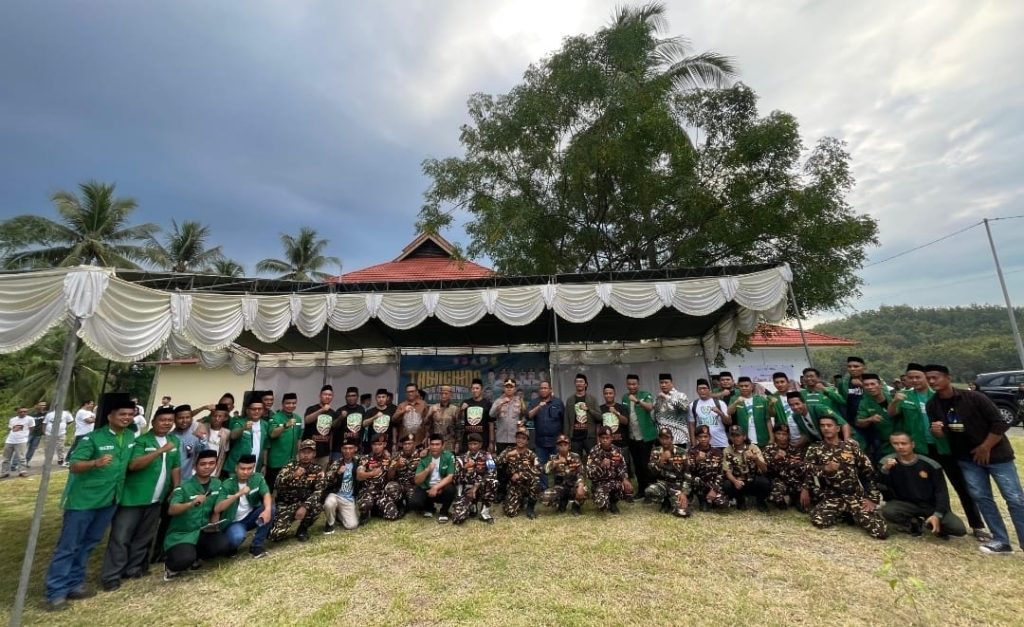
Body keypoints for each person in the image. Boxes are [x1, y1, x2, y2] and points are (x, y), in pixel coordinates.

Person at [43, 393, 136, 611]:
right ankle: (56, 591)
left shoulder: (131, 437)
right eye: (122, 414)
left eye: (130, 414)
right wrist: (95, 463)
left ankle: (75, 583)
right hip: (84, 501)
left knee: (89, 544)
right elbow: (74, 465)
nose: (126, 418)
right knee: (68, 546)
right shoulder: (93, 438)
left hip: (110, 499)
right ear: (110, 416)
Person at [924, 364, 1024, 555]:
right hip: (967, 459)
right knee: (982, 497)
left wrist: (985, 447)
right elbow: (946, 433)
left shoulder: (974, 397)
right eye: (928, 378)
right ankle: (1000, 540)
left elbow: (999, 423)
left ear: (948, 377)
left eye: (935, 377)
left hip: (997, 455)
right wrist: (937, 432)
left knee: (1014, 498)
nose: (931, 381)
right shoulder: (933, 404)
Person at [888, 363, 988, 541]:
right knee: (927, 486)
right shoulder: (905, 396)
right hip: (921, 448)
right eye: (911, 377)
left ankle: (977, 525)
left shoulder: (938, 395)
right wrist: (895, 400)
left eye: (918, 377)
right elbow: (892, 414)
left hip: (945, 447)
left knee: (962, 486)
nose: (915, 380)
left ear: (926, 378)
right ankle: (936, 522)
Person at [100, 406, 180, 591]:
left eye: (170, 420)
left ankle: (134, 568)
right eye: (162, 420)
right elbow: (134, 465)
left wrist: (176, 487)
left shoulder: (174, 441)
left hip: (156, 499)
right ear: (153, 422)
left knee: (144, 537)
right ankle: (112, 575)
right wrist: (160, 451)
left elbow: (176, 466)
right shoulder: (141, 441)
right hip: (133, 498)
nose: (166, 423)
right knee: (121, 537)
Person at [800, 414, 887, 539]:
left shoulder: (851, 447)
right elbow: (806, 468)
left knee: (880, 532)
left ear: (837, 429)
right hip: (832, 496)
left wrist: (872, 498)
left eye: (829, 425)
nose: (826, 428)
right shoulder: (815, 448)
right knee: (818, 521)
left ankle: (852, 513)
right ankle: (844, 513)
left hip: (855, 496)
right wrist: (824, 469)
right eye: (822, 426)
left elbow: (869, 472)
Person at [878, 432, 966, 539]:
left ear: (912, 444)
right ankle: (913, 523)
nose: (900, 447)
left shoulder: (930, 464)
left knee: (958, 529)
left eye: (904, 443)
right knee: (888, 511)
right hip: (906, 504)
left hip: (931, 505)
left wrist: (937, 514)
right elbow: (882, 486)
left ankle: (932, 524)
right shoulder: (887, 462)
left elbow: (941, 492)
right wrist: (885, 470)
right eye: (895, 444)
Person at [162, 449, 230, 581]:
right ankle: (170, 566)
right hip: (182, 535)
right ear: (195, 466)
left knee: (223, 545)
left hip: (203, 531)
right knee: (184, 558)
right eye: (203, 464)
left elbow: (217, 507)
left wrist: (215, 521)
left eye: (211, 463)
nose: (207, 467)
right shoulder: (184, 486)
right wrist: (190, 504)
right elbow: (172, 509)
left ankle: (196, 557)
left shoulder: (217, 484)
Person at [214, 453, 274, 558]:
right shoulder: (227, 484)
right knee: (237, 537)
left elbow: (266, 494)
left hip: (250, 518)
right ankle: (231, 547)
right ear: (236, 468)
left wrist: (267, 510)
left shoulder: (257, 478)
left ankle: (256, 547)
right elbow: (217, 508)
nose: (246, 472)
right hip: (233, 522)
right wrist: (237, 494)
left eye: (249, 468)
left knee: (270, 509)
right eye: (242, 468)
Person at [270, 439, 326, 542]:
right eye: (303, 452)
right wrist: (293, 475)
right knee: (276, 536)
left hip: (303, 503)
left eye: (309, 452)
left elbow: (319, 491)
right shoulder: (289, 466)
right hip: (286, 504)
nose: (306, 455)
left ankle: (302, 530)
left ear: (314, 454)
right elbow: (276, 485)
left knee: (317, 506)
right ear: (299, 453)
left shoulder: (317, 469)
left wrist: (305, 506)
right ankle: (275, 525)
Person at [451, 433, 499, 524]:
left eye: (475, 444)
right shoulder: (461, 458)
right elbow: (455, 478)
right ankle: (472, 506)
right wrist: (465, 467)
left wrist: (476, 486)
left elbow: (493, 473)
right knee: (457, 519)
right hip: (467, 490)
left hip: (481, 487)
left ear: (480, 445)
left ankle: (484, 513)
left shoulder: (487, 456)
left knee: (493, 482)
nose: (472, 446)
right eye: (470, 444)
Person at [721, 425, 771, 512]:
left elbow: (764, 469)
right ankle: (740, 500)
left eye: (738, 435)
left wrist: (755, 458)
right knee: (726, 485)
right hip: (738, 482)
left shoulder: (753, 448)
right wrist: (735, 481)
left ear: (744, 436)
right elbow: (727, 471)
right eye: (733, 436)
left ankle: (760, 501)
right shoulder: (727, 450)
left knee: (765, 483)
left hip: (752, 480)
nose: (735, 438)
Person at [410, 433, 458, 523]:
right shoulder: (424, 457)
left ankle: (444, 512)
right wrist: (427, 470)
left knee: (450, 489)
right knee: (414, 503)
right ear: (429, 445)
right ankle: (429, 508)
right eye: (432, 444)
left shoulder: (449, 456)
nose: (434, 447)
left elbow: (450, 476)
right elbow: (417, 481)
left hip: (441, 488)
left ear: (443, 445)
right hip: (426, 488)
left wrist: (436, 487)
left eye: (437, 444)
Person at [527, 380, 565, 490]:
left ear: (550, 390)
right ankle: (544, 489)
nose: (543, 390)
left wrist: (563, 439)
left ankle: (558, 490)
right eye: (541, 388)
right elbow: (529, 416)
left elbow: (564, 421)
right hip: (540, 443)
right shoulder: (534, 402)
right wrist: (538, 407)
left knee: (558, 466)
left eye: (545, 388)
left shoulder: (558, 402)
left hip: (556, 442)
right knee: (541, 467)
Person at [646, 427, 691, 517]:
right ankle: (665, 502)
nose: (664, 441)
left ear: (672, 439)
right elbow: (652, 472)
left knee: (683, 513)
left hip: (677, 486)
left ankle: (674, 502)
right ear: (659, 439)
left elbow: (688, 475)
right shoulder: (655, 451)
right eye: (662, 439)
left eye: (667, 438)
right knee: (649, 491)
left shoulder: (682, 452)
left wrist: (684, 493)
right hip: (663, 483)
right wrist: (661, 460)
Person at [496, 428, 541, 518]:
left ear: (527, 441)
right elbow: (496, 462)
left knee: (536, 480)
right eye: (518, 437)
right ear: (515, 439)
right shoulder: (509, 450)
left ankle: (530, 507)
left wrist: (521, 474)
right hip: (514, 485)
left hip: (527, 484)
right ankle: (520, 501)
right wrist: (508, 455)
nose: (520, 440)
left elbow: (539, 470)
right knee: (510, 512)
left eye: (523, 438)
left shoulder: (531, 454)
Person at [623, 374, 657, 493]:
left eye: (634, 384)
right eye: (629, 384)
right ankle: (641, 490)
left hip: (646, 437)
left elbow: (650, 407)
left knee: (646, 464)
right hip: (632, 437)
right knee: (637, 465)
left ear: (638, 384)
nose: (632, 386)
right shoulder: (625, 398)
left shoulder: (645, 394)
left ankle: (651, 490)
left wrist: (637, 401)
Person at [586, 426, 631, 514]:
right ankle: (605, 501)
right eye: (603, 438)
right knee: (602, 505)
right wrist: (601, 466)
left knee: (627, 487)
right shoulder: (594, 451)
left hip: (614, 482)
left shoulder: (617, 450)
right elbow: (589, 474)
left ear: (611, 438)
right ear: (599, 439)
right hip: (599, 484)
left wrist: (625, 480)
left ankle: (613, 502)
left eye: (607, 438)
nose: (605, 440)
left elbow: (623, 467)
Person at [540, 433, 587, 516]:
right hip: (560, 487)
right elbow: (545, 471)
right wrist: (556, 462)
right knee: (545, 497)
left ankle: (576, 506)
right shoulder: (553, 458)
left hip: (573, 486)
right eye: (560, 445)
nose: (563, 447)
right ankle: (562, 503)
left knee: (583, 489)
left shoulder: (575, 456)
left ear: (569, 446)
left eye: (565, 445)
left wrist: (580, 485)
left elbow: (581, 473)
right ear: (557, 447)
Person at [762, 424, 805, 510]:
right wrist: (775, 458)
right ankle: (779, 500)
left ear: (788, 435)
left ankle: (796, 498)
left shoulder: (794, 449)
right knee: (777, 496)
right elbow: (765, 468)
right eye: (779, 434)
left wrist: (796, 462)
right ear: (774, 434)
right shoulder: (769, 449)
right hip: (777, 478)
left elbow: (801, 465)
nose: (781, 436)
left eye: (784, 434)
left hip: (793, 479)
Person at [323, 436, 362, 533]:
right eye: (345, 448)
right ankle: (330, 523)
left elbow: (371, 458)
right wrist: (337, 473)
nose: (347, 451)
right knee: (329, 503)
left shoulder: (359, 461)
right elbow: (326, 482)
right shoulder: (336, 463)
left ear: (355, 449)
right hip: (336, 495)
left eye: (350, 448)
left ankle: (339, 514)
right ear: (341, 449)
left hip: (348, 499)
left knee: (352, 525)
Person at [224, 395, 269, 476]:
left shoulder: (265, 425)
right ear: (248, 410)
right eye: (254, 409)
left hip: (255, 466)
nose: (257, 411)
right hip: (237, 467)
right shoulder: (240, 422)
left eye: (259, 409)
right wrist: (243, 428)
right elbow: (233, 436)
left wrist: (264, 465)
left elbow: (265, 447)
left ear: (263, 410)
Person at [854, 374, 893, 461]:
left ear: (880, 384)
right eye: (866, 385)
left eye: (872, 384)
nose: (870, 387)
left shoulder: (893, 396)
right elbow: (859, 422)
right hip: (884, 442)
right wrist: (870, 419)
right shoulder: (864, 403)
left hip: (903, 438)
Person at [687, 426, 728, 510]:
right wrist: (696, 460)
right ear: (696, 438)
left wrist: (714, 489)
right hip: (699, 484)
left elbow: (720, 473)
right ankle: (702, 499)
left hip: (713, 484)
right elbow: (689, 471)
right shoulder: (692, 452)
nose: (703, 439)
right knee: (695, 480)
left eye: (705, 436)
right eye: (700, 437)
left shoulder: (717, 452)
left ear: (710, 437)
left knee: (722, 504)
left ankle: (712, 498)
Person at [382, 433, 421, 520]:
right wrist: (396, 466)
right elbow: (389, 477)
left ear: (414, 444)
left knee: (414, 502)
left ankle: (408, 506)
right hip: (399, 485)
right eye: (405, 444)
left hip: (413, 486)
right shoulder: (396, 456)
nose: (407, 446)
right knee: (390, 487)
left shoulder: (420, 456)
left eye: (409, 444)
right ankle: (399, 505)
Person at [267, 393, 302, 488]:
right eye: (288, 403)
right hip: (276, 462)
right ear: (282, 404)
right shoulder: (275, 417)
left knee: (287, 488)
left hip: (291, 462)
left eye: (293, 403)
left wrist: (298, 457)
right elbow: (272, 434)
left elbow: (299, 438)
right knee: (272, 488)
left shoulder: (298, 418)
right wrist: (286, 425)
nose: (291, 405)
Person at [786, 392, 850, 443]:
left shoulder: (819, 409)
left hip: (840, 440)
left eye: (797, 404)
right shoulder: (796, 416)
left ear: (804, 402)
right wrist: (795, 447)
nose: (795, 407)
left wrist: (846, 442)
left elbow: (844, 424)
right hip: (822, 444)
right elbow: (805, 435)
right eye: (791, 405)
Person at [355, 433, 392, 522]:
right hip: (368, 492)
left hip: (382, 493)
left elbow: (391, 476)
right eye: (374, 444)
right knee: (365, 506)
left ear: (384, 445)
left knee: (392, 514)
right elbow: (359, 476)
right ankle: (368, 510)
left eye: (379, 444)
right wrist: (371, 473)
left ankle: (376, 509)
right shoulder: (365, 458)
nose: (376, 447)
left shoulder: (388, 458)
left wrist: (392, 463)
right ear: (371, 446)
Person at [728, 376, 771, 448]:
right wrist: (736, 402)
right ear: (738, 387)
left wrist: (771, 437)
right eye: (741, 386)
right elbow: (729, 412)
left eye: (746, 386)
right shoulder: (734, 399)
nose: (744, 388)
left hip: (762, 438)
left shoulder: (761, 400)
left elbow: (768, 419)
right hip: (744, 439)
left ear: (752, 386)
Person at [565, 374, 600, 460]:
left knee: (593, 461)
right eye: (577, 382)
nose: (579, 383)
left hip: (589, 437)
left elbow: (599, 417)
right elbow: (566, 420)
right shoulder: (570, 400)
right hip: (574, 438)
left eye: (581, 381)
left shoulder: (592, 399)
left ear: (586, 384)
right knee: (575, 463)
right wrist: (566, 438)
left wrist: (588, 409)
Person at [689, 379, 730, 451]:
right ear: (697, 391)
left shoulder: (720, 403)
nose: (702, 391)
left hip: (720, 443)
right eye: (700, 389)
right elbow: (692, 425)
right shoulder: (693, 405)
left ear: (709, 390)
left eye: (704, 388)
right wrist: (693, 443)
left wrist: (720, 413)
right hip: (702, 445)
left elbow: (729, 422)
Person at [653, 373, 691, 447]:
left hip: (678, 437)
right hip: (661, 438)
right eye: (661, 383)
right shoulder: (658, 397)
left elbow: (685, 408)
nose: (663, 385)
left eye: (666, 382)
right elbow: (655, 416)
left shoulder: (680, 395)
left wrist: (667, 398)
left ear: (671, 383)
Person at [490, 378, 527, 454]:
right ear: (504, 388)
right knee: (501, 461)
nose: (509, 389)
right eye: (507, 387)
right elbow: (491, 414)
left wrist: (523, 421)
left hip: (516, 439)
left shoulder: (520, 401)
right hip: (501, 438)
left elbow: (525, 415)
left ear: (515, 389)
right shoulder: (498, 401)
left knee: (515, 460)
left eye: (511, 387)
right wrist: (501, 404)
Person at [303, 384, 336, 466]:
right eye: (325, 394)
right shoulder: (311, 409)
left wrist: (330, 451)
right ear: (320, 395)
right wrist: (321, 410)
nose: (327, 397)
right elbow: (307, 420)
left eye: (330, 395)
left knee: (322, 473)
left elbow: (331, 433)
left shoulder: (333, 412)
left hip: (325, 453)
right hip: (309, 452)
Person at [458, 378, 493, 454]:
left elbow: (491, 423)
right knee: (466, 460)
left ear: (481, 390)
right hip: (468, 440)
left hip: (483, 440)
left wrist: (491, 442)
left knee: (481, 460)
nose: (475, 390)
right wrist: (461, 410)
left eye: (477, 388)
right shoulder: (466, 402)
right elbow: (458, 418)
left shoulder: (488, 404)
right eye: (473, 388)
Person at [361, 388, 397, 455]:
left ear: (387, 398)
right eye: (379, 397)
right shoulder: (370, 411)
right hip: (373, 444)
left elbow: (394, 428)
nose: (381, 399)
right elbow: (364, 424)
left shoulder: (392, 411)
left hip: (387, 444)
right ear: (376, 398)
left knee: (387, 460)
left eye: (383, 397)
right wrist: (375, 417)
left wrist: (394, 443)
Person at [425, 385, 460, 451]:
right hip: (435, 442)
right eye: (442, 393)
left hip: (449, 442)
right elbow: (426, 424)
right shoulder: (433, 408)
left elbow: (458, 428)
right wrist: (431, 414)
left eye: (446, 393)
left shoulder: (455, 409)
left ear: (451, 395)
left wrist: (457, 442)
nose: (443, 395)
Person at [333, 387, 365, 458]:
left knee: (356, 465)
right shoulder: (340, 410)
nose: (351, 398)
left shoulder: (361, 409)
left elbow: (363, 426)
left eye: (353, 395)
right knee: (337, 465)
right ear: (346, 397)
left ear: (357, 397)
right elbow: (333, 426)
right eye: (349, 396)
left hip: (356, 448)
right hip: (340, 449)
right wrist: (341, 417)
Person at [2, 407, 34, 478]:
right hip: (10, 440)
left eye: (25, 411)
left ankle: (22, 471)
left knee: (21, 457)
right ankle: (5, 472)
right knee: (6, 458)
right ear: (17, 412)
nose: (23, 413)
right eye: (21, 412)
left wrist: (25, 435)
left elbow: (31, 428)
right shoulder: (13, 419)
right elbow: (10, 429)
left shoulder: (30, 419)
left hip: (21, 440)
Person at [205, 404, 231, 478]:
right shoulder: (203, 427)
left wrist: (218, 470)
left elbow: (224, 453)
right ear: (210, 416)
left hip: (214, 467)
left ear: (225, 418)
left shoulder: (227, 432)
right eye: (214, 416)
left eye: (220, 416)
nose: (217, 418)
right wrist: (203, 408)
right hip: (200, 464)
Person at [25, 400, 48, 466]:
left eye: (44, 405)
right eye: (41, 405)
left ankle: (26, 461)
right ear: (36, 406)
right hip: (29, 433)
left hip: (38, 434)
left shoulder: (46, 414)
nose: (43, 407)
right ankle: (15, 463)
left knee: (32, 448)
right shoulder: (30, 413)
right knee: (22, 448)